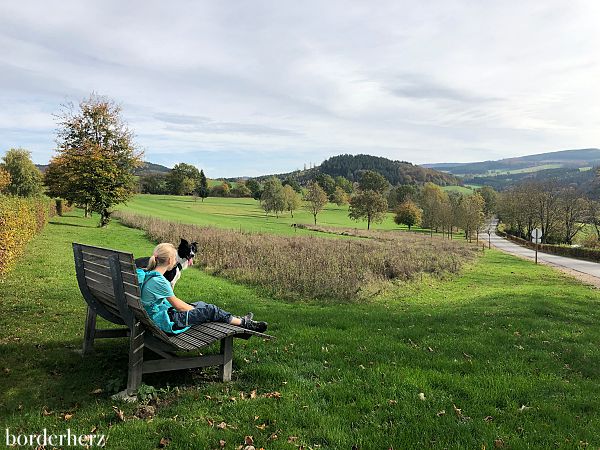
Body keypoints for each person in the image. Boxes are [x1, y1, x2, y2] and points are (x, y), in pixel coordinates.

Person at [136, 243, 268, 334]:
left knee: (202, 304)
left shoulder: (147, 274)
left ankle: (237, 319)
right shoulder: (160, 281)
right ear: (170, 260)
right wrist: (198, 311)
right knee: (209, 310)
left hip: (152, 317)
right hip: (164, 322)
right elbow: (180, 308)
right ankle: (246, 324)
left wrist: (198, 308)